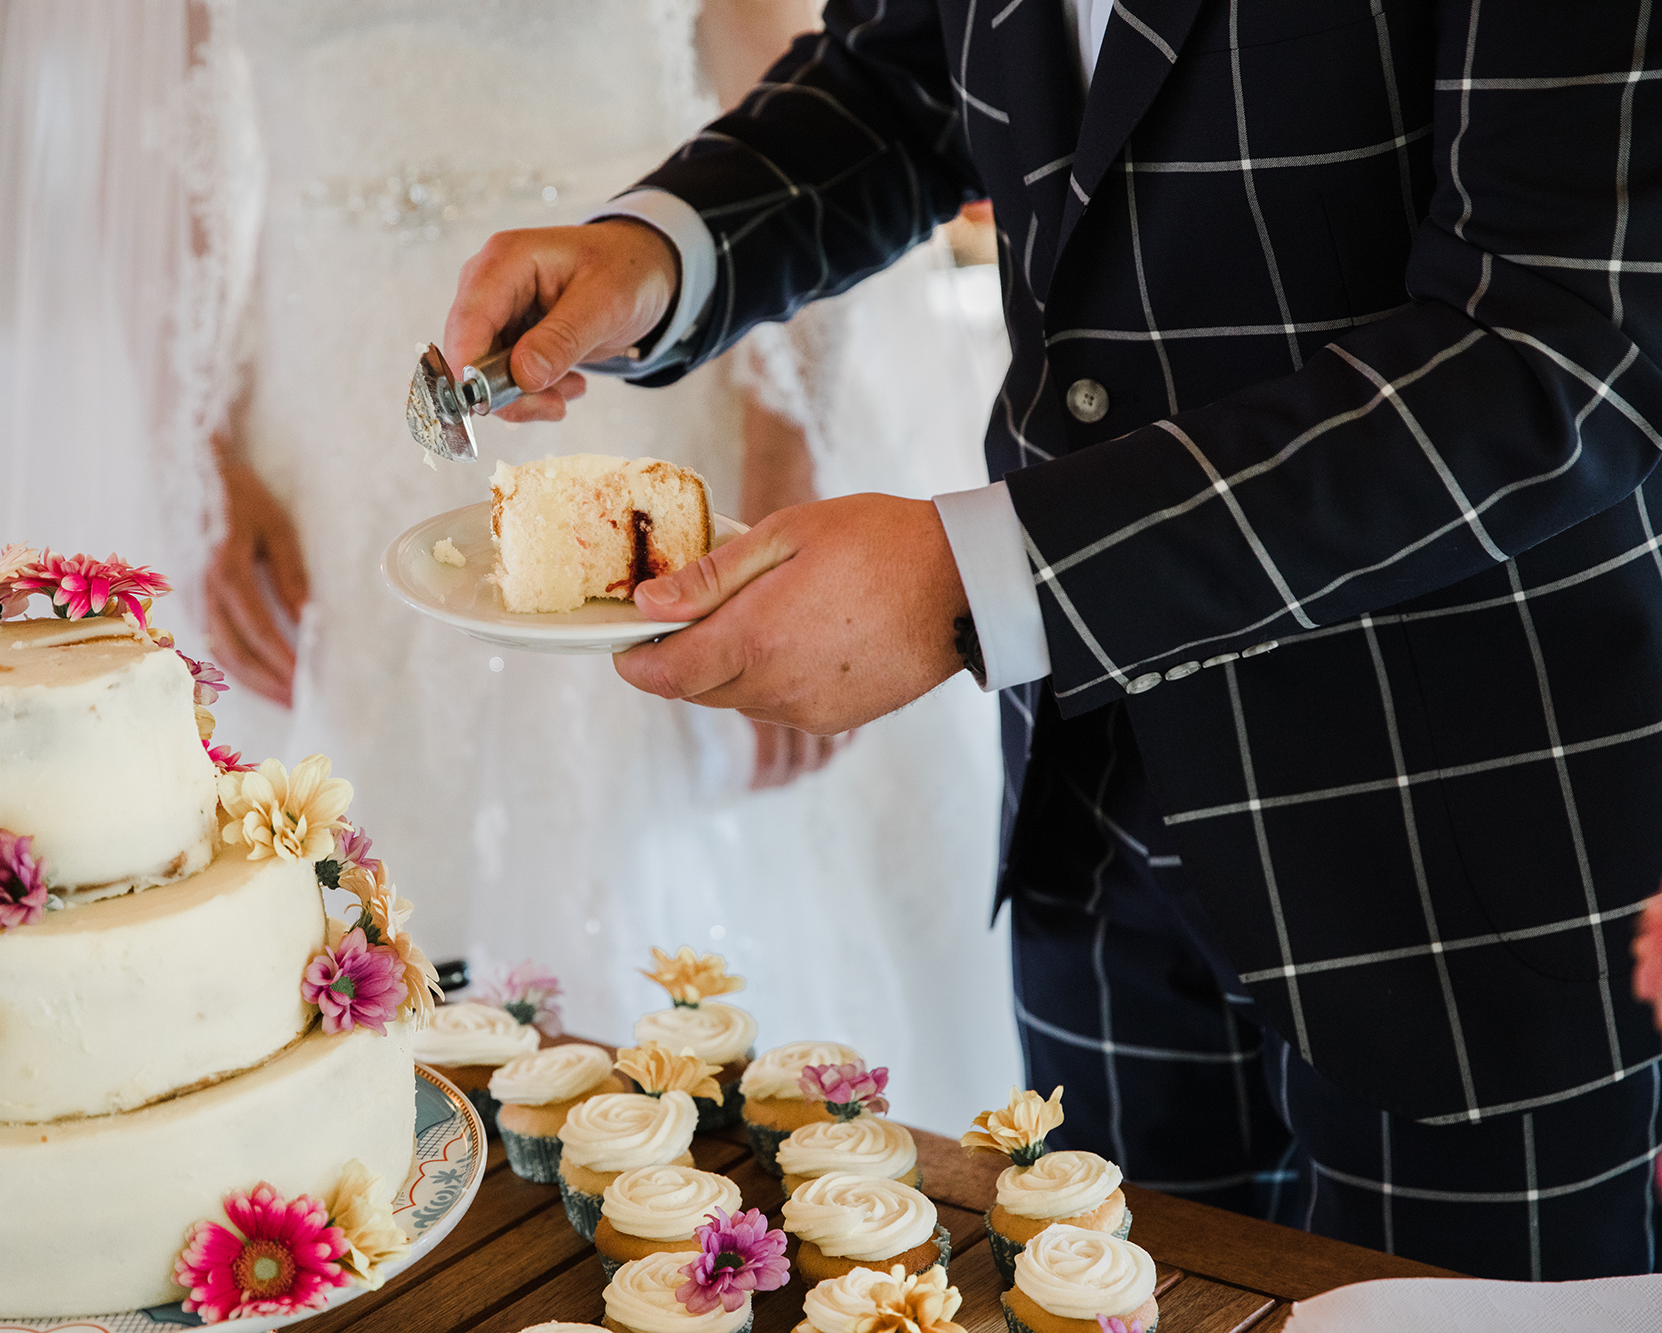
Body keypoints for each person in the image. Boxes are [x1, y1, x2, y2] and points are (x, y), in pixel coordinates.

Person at [441, 0, 1662, 1279]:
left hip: (1457, 836)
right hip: (1093, 802)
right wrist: (662, 248)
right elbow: (902, 73)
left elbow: (1557, 349)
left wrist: (982, 575)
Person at [0, 0, 1017, 1129]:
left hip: (641, 339)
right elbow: (151, 144)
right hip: (321, 406)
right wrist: (199, 454)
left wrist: (783, 438)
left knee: (651, 800)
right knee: (334, 845)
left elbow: (801, 84)